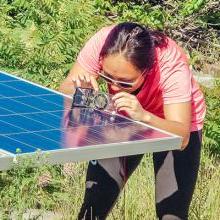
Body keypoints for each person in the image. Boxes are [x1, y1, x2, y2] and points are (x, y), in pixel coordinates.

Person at [59, 22, 206, 220]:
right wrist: (83, 93)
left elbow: (182, 137)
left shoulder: (170, 64)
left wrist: (144, 116)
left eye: (125, 83)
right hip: (124, 117)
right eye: (107, 78)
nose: (115, 87)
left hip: (173, 123)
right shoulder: (102, 42)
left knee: (172, 215)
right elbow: (65, 90)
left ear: (147, 71)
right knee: (93, 208)